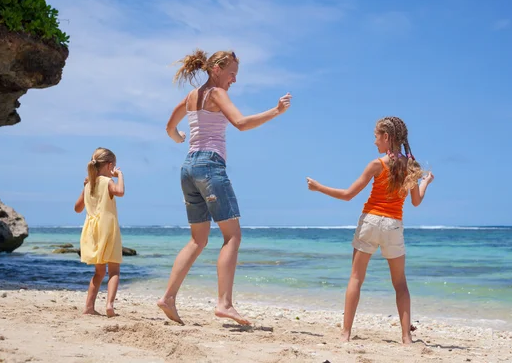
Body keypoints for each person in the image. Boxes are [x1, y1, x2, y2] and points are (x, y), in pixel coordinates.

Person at [157, 49, 292, 325]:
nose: (234, 80)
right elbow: (241, 123)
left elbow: (170, 126)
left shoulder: (192, 96)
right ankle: (225, 304)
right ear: (216, 69)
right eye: (232, 74)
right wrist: (276, 111)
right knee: (232, 237)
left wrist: (178, 136)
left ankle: (168, 297)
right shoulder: (217, 94)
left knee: (198, 239)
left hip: (188, 168)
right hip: (209, 166)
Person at [306, 116, 434, 343]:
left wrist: (318, 187)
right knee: (400, 284)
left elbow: (347, 195)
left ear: (386, 137)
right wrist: (425, 183)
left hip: (371, 222)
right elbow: (415, 201)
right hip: (394, 225)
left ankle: (345, 334)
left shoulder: (377, 164)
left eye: (376, 137)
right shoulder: (411, 167)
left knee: (356, 278)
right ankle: (406, 338)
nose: (374, 142)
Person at [74, 147, 125, 317]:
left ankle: (89, 307)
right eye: (114, 167)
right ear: (110, 165)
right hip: (108, 228)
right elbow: (120, 192)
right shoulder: (107, 182)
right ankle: (109, 305)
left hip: (91, 230)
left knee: (99, 271)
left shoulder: (89, 184)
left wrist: (85, 188)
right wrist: (120, 176)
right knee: (114, 270)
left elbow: (77, 209)